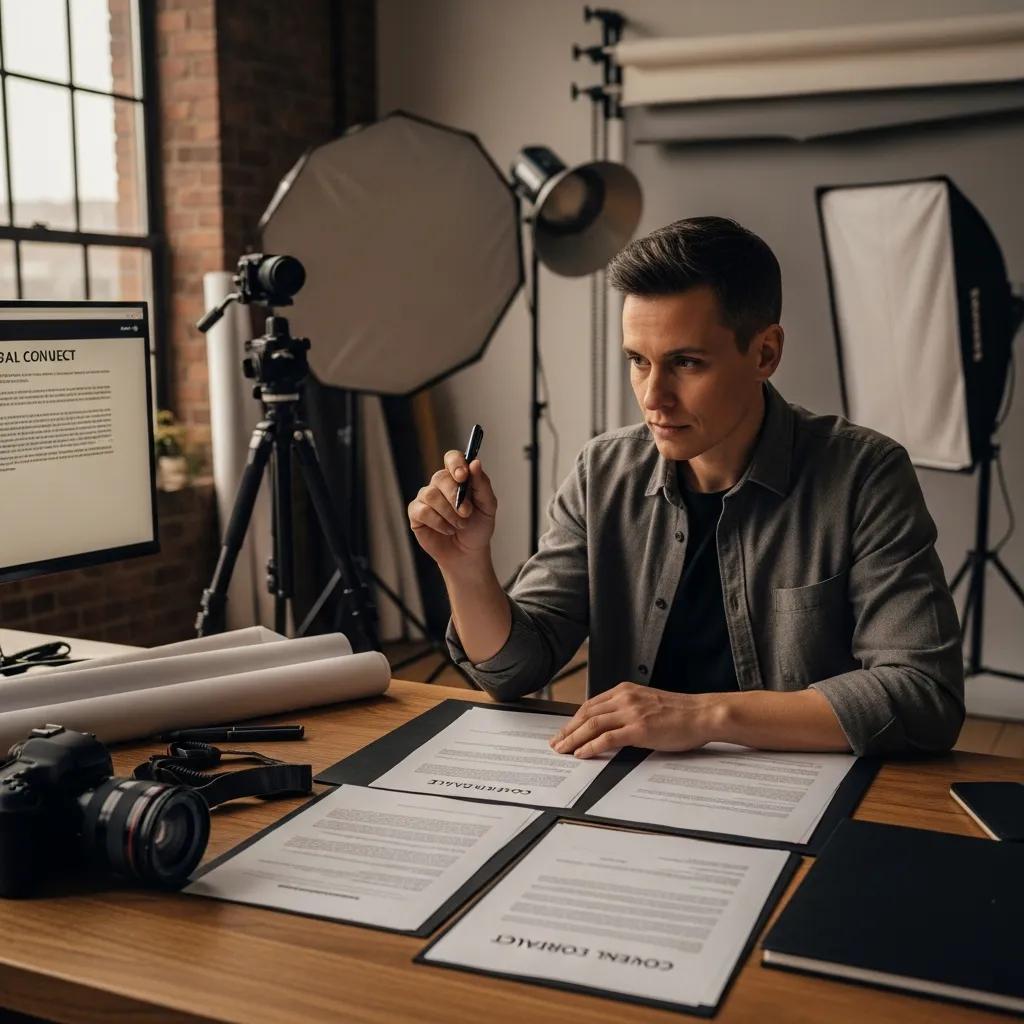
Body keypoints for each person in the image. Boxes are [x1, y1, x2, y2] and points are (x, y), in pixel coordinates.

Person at [406, 217, 964, 759]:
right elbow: (514, 671)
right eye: (638, 361)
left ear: (765, 353)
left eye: (687, 363)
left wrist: (704, 716)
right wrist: (466, 567)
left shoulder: (865, 476)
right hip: (623, 787)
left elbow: (923, 694)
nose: (653, 397)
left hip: (796, 792)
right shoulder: (602, 472)